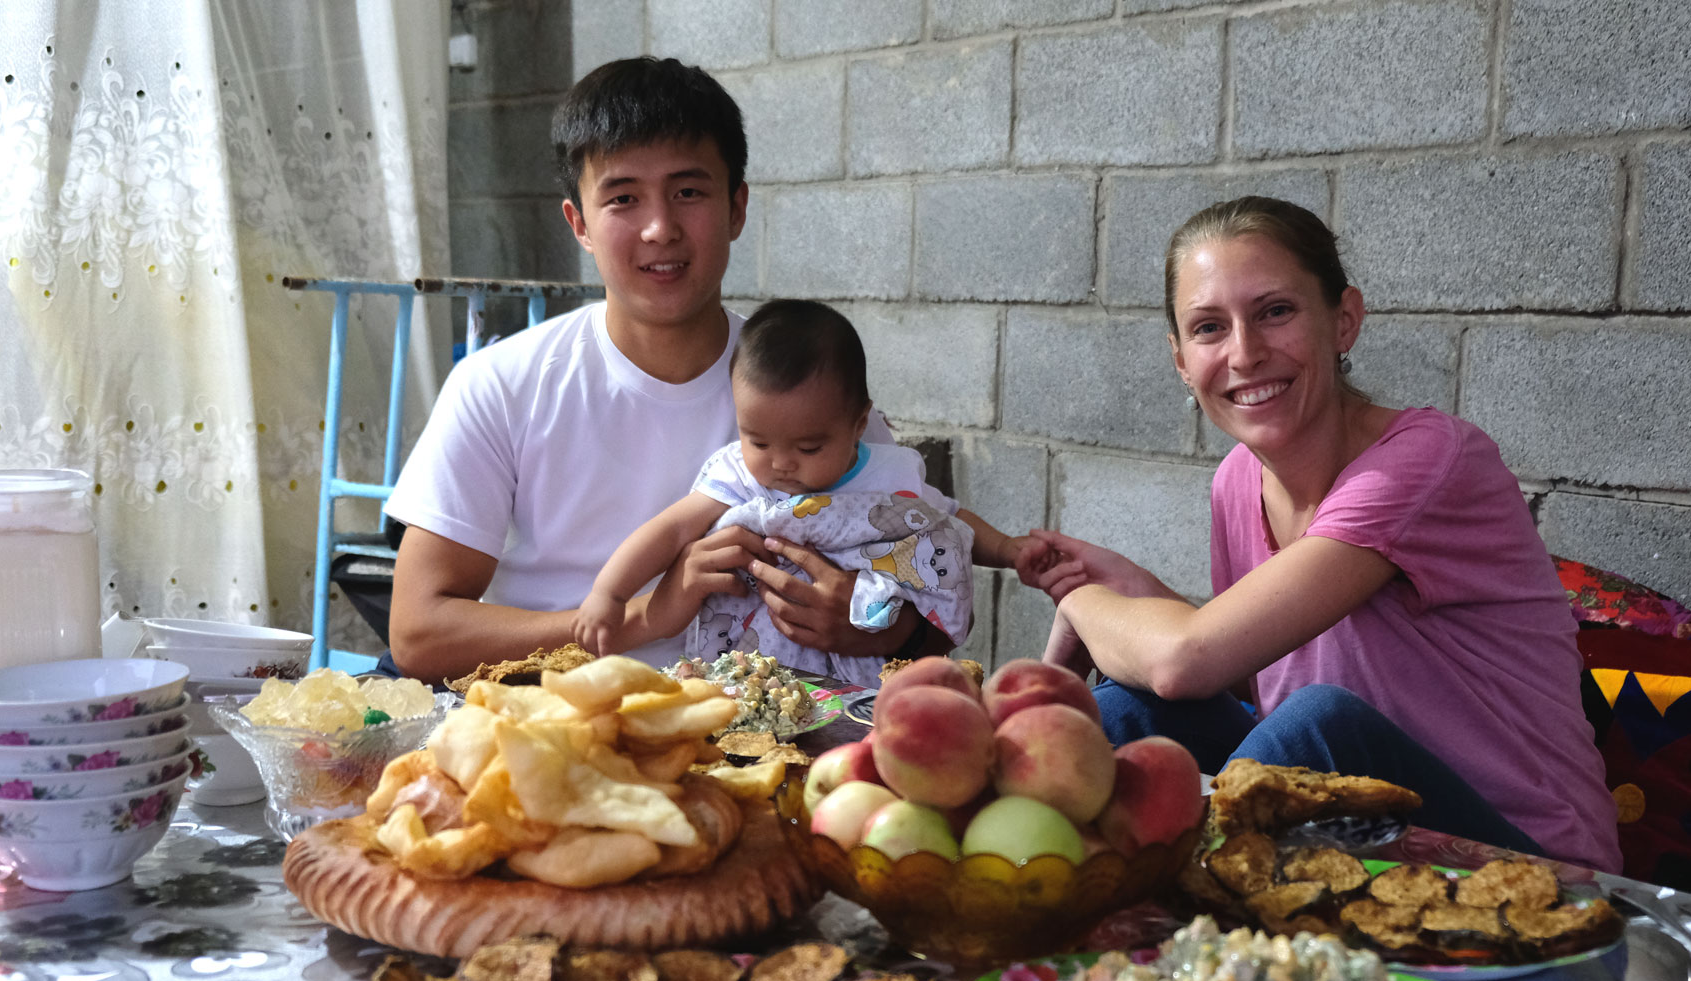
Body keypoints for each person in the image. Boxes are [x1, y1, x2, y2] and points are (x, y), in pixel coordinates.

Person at [1016, 196, 1620, 873]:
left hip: (1525, 861)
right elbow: (1244, 672)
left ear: (1344, 320)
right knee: (1132, 709)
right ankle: (1016, 886)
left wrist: (1081, 604)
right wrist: (1133, 592)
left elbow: (1190, 661)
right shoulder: (1237, 482)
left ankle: (1169, 916)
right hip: (1357, 833)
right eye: (1210, 327)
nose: (1244, 353)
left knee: (1321, 724)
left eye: (1276, 311)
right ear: (1182, 359)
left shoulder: (1428, 460)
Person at [383, 58, 947, 684]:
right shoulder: (503, 385)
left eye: (688, 192)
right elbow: (418, 632)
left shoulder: (805, 386)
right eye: (623, 198)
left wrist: (869, 624)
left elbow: (927, 607)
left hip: (760, 743)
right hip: (547, 728)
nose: (659, 229)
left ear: (736, 209)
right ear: (581, 225)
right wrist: (645, 616)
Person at [577, 299, 1025, 683]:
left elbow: (948, 523)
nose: (781, 462)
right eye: (758, 441)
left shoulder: (892, 475)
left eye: (809, 446)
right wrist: (609, 593)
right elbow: (671, 530)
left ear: (858, 424)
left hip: (861, 657)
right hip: (755, 665)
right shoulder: (738, 474)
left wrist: (1009, 550)